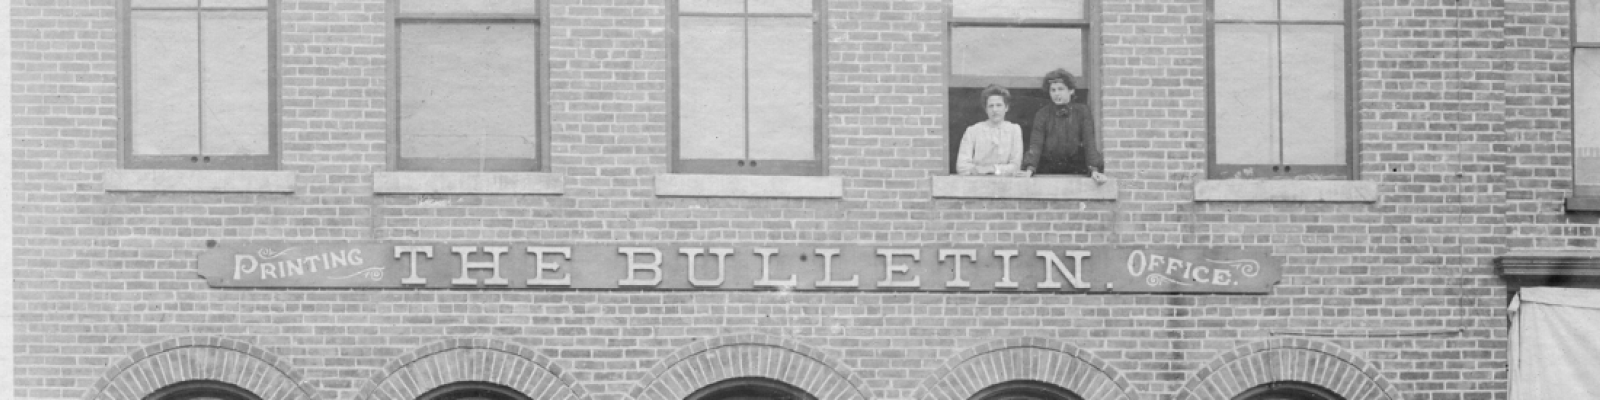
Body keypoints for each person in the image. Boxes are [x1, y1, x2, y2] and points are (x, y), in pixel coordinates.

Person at [1023, 69, 1107, 183]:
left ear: (1071, 90)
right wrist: (1030, 168)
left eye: (1060, 89)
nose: (1056, 93)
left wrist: (1094, 170)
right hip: (1048, 171)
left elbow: (1089, 142)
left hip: (1076, 170)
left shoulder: (1082, 112)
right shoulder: (1042, 114)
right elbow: (1036, 143)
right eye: (1053, 90)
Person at [956, 85, 1026, 176]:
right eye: (991, 106)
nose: (994, 110)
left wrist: (992, 169)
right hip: (976, 182)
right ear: (986, 109)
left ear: (1006, 107)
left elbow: (1015, 166)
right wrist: (977, 170)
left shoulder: (1014, 130)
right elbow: (961, 166)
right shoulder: (973, 131)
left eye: (999, 105)